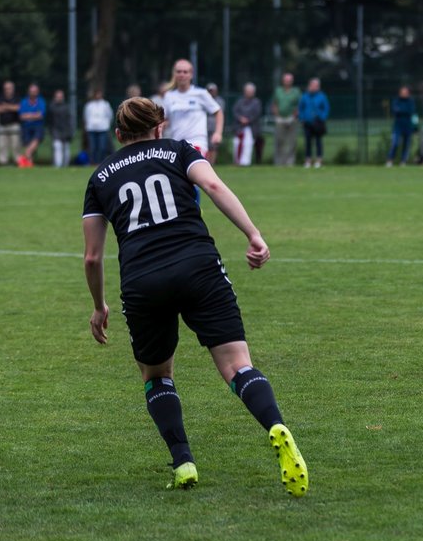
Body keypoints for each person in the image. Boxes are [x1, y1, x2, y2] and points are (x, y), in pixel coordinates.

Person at [81, 96, 309, 495]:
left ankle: (183, 461)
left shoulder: (100, 178)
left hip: (142, 281)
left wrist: (99, 305)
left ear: (118, 135)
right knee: (237, 366)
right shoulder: (178, 150)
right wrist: (253, 235)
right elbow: (213, 184)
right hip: (198, 266)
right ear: (160, 127)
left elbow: (92, 257)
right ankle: (274, 424)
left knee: (156, 376)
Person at [162, 59, 223, 160]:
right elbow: (164, 119)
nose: (182, 75)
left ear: (191, 74)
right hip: (177, 144)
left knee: (194, 173)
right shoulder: (169, 96)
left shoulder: (201, 93)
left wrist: (218, 133)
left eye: (185, 72)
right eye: (179, 71)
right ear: (174, 74)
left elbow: (218, 111)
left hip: (197, 143)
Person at [298, 77, 330, 169]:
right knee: (308, 142)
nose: (313, 87)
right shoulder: (305, 96)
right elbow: (301, 108)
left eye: (315, 85)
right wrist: (302, 118)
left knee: (318, 141)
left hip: (318, 122)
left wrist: (322, 118)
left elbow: (326, 108)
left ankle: (319, 160)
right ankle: (308, 160)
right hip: (307, 122)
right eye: (312, 85)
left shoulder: (322, 96)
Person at [270, 72, 299, 166]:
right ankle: (278, 163)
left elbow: (298, 105)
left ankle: (290, 163)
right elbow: (274, 104)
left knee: (292, 142)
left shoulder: (296, 91)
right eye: (286, 80)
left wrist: (293, 117)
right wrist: (277, 116)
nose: (287, 82)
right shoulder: (278, 91)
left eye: (289, 80)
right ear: (283, 81)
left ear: (292, 81)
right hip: (280, 119)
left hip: (292, 119)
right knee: (279, 142)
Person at [231, 82, 261, 167]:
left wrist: (248, 120)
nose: (249, 93)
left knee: (248, 144)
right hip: (239, 127)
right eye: (247, 91)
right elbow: (235, 111)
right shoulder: (239, 102)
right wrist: (241, 119)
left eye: (251, 91)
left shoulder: (256, 102)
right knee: (237, 143)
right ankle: (237, 161)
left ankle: (245, 163)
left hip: (250, 127)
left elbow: (256, 114)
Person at [387, 85, 416, 166]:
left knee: (406, 144)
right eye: (402, 92)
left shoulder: (411, 101)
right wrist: (404, 111)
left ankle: (403, 161)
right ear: (399, 93)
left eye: (405, 92)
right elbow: (395, 110)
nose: (404, 94)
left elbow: (412, 112)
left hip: (408, 126)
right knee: (395, 143)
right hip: (398, 126)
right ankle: (390, 160)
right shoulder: (396, 101)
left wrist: (415, 126)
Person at [18, 83, 46, 167]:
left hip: (38, 126)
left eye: (35, 91)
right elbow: (22, 116)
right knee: (27, 144)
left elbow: (40, 115)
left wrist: (28, 115)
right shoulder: (24, 102)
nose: (33, 93)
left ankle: (23, 158)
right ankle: (29, 163)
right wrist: (34, 115)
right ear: (28, 92)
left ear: (38, 92)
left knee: (35, 140)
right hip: (26, 127)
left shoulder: (41, 102)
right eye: (31, 91)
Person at [0, 80, 20, 166]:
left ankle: (17, 162)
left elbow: (18, 108)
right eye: (6, 88)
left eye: (9, 88)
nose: (7, 90)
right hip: (2, 125)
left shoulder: (17, 98)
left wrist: (5, 106)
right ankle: (3, 163)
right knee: (2, 145)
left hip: (14, 125)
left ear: (13, 89)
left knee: (15, 145)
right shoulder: (0, 98)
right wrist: (10, 107)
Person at [84, 88, 114, 165]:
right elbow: (86, 116)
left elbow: (110, 116)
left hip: (103, 129)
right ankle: (92, 162)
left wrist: (106, 124)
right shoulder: (89, 105)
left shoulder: (105, 104)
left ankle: (101, 162)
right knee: (93, 148)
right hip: (92, 129)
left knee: (102, 147)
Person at [48, 88, 74, 168]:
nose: (59, 98)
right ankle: (58, 166)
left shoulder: (66, 107)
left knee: (66, 150)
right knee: (57, 147)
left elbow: (69, 120)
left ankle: (65, 165)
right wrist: (52, 131)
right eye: (57, 97)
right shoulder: (52, 108)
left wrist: (70, 132)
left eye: (60, 97)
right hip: (56, 131)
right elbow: (50, 121)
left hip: (65, 131)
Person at [204, 83, 225, 164]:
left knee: (213, 147)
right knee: (206, 146)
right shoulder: (204, 100)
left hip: (214, 126)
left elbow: (218, 112)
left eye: (213, 91)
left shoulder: (220, 101)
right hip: (205, 126)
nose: (211, 93)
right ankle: (206, 162)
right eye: (210, 91)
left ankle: (212, 163)